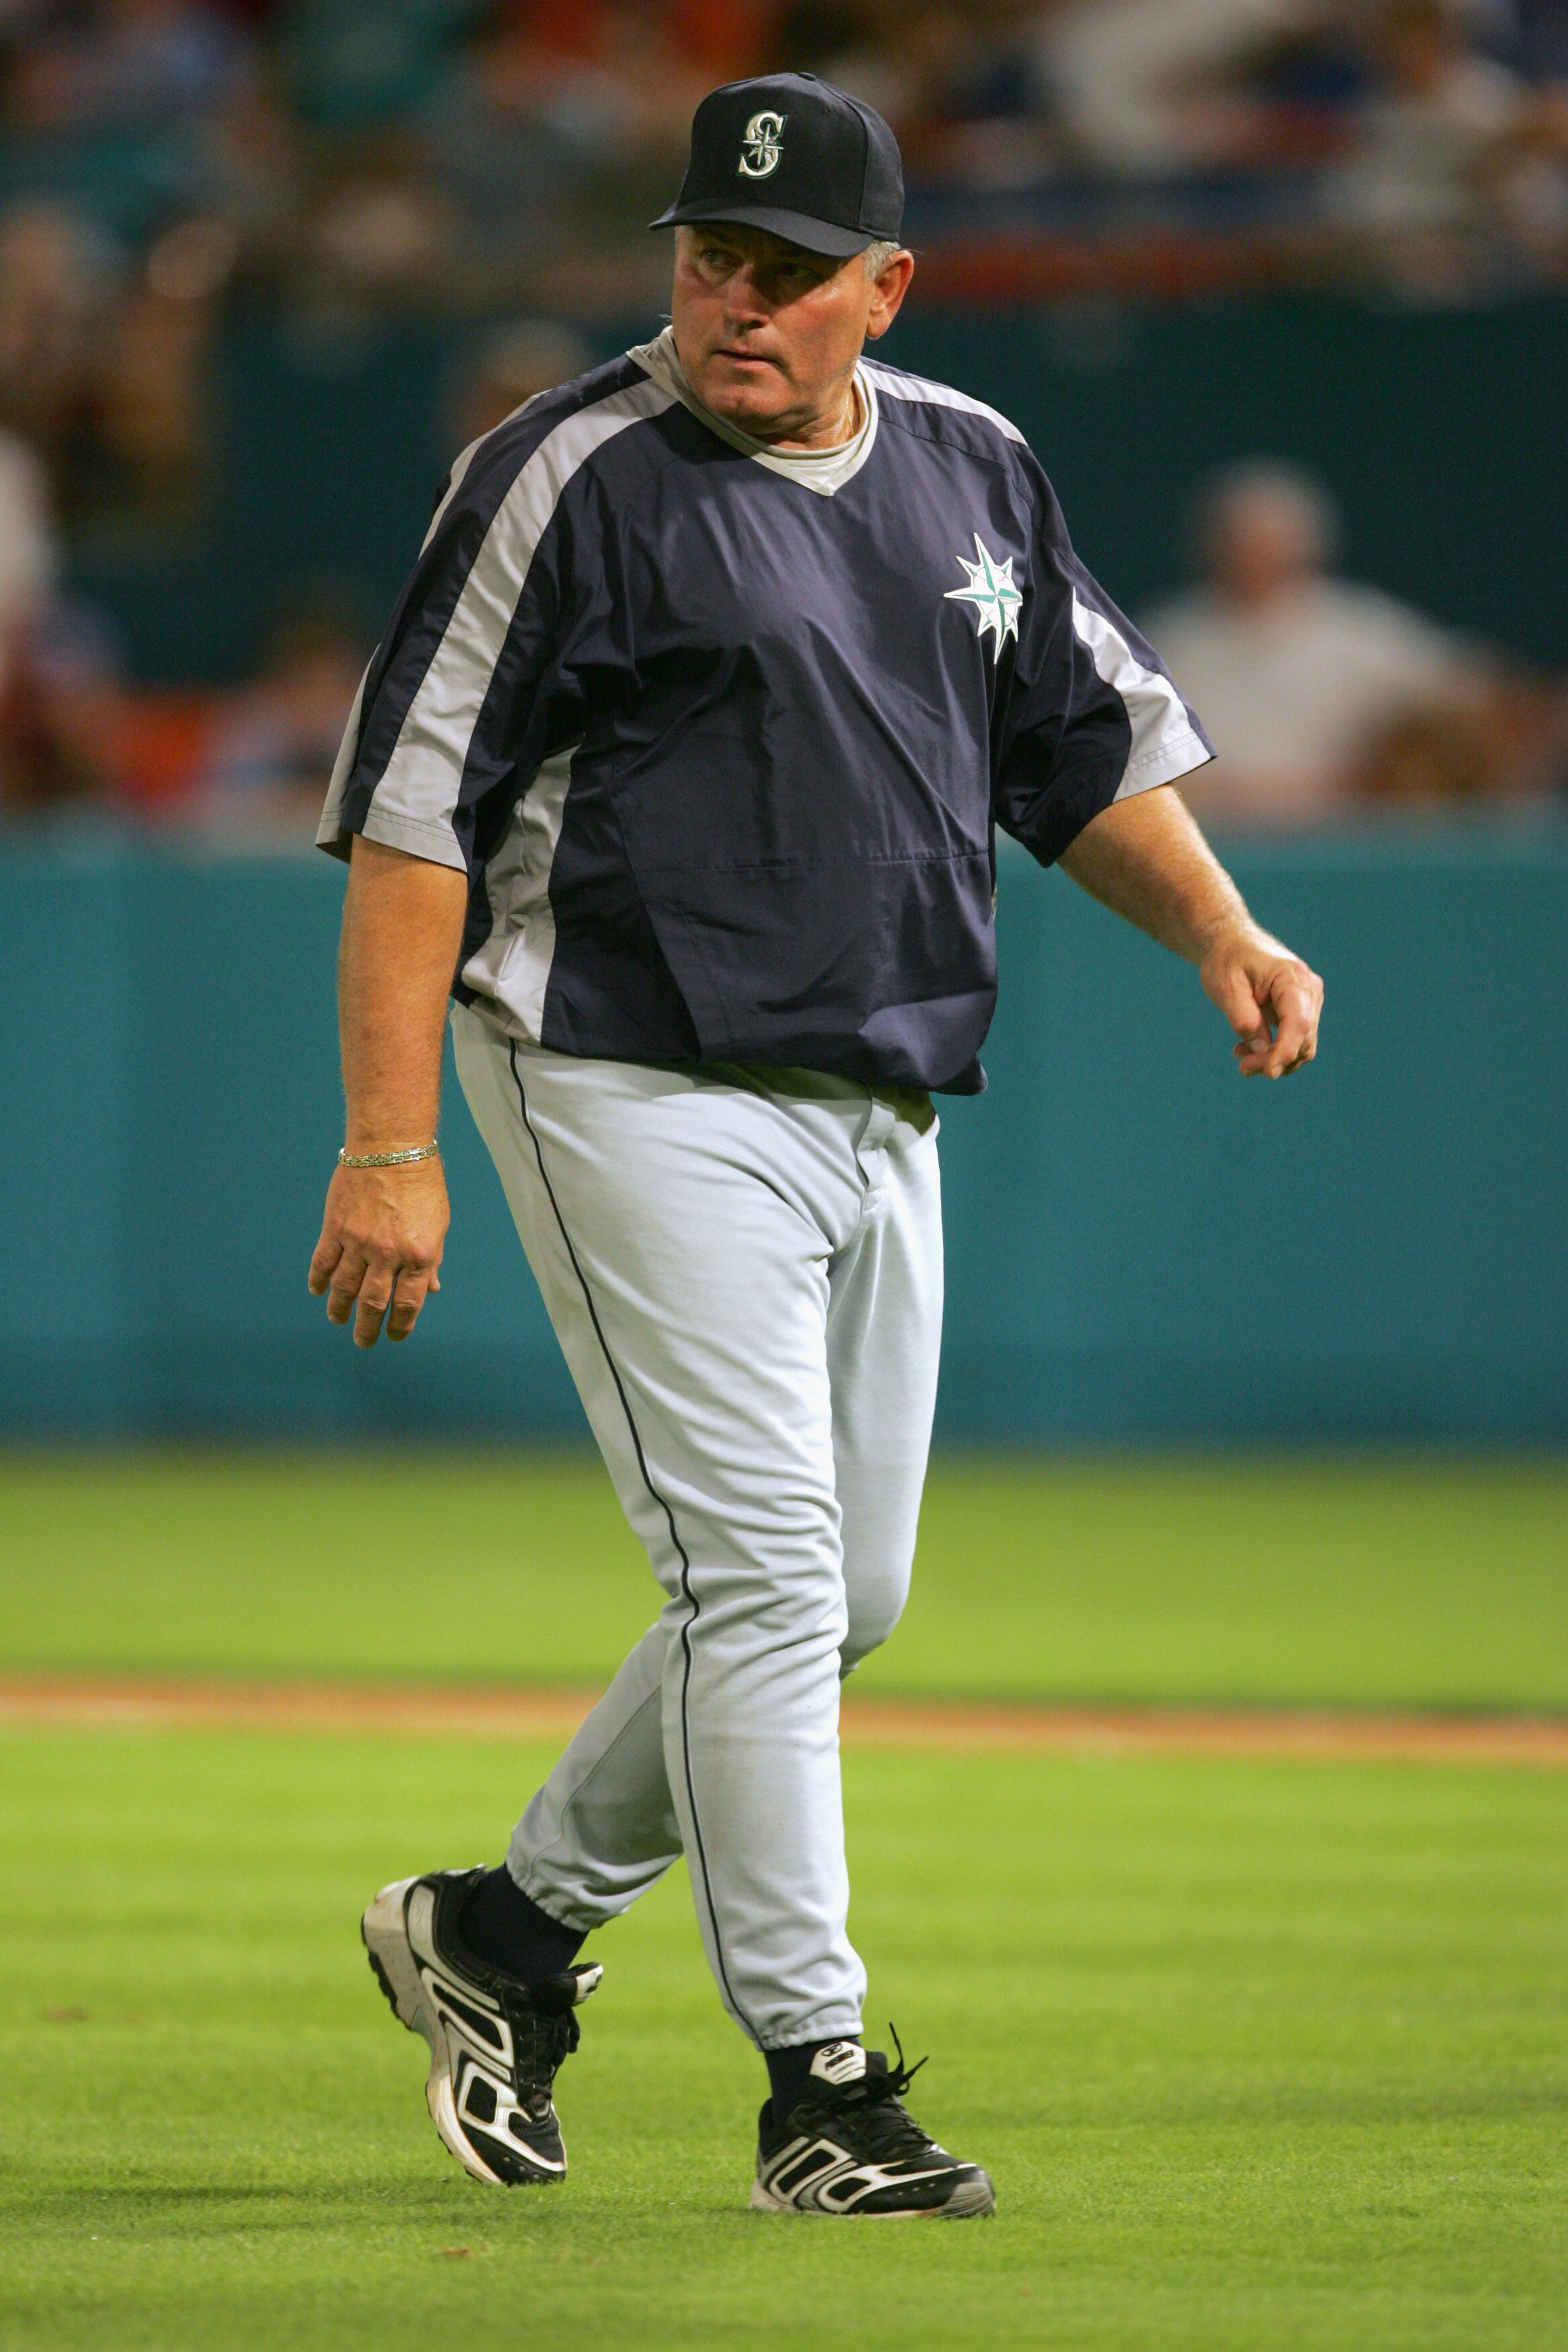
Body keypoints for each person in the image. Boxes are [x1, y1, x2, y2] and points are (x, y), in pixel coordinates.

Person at [311, 71, 1323, 2220]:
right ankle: (821, 2090)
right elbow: (409, 825)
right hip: (619, 1066)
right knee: (762, 1575)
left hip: (874, 1090)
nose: (736, 299)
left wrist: (1220, 928)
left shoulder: (970, 462)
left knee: (828, 1593)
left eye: (785, 269)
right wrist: (385, 1142)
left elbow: (1077, 757)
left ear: (885, 285)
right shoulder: (565, 472)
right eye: (707, 256)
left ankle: (500, 1929)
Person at [1144, 460, 1483, 826]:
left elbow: (1470, 693)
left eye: (1273, 542)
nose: (1258, 556)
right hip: (1215, 841)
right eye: (1243, 541)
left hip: (1346, 844)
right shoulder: (1172, 640)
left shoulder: (1363, 632)